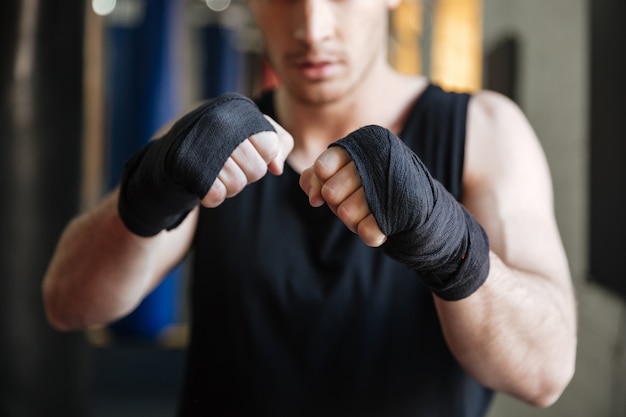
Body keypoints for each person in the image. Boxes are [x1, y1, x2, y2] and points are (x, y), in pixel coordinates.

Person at [42, 0, 577, 415]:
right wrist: (147, 193)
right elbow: (67, 302)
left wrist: (447, 241)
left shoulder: (484, 132)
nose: (312, 27)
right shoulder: (210, 142)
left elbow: (545, 373)